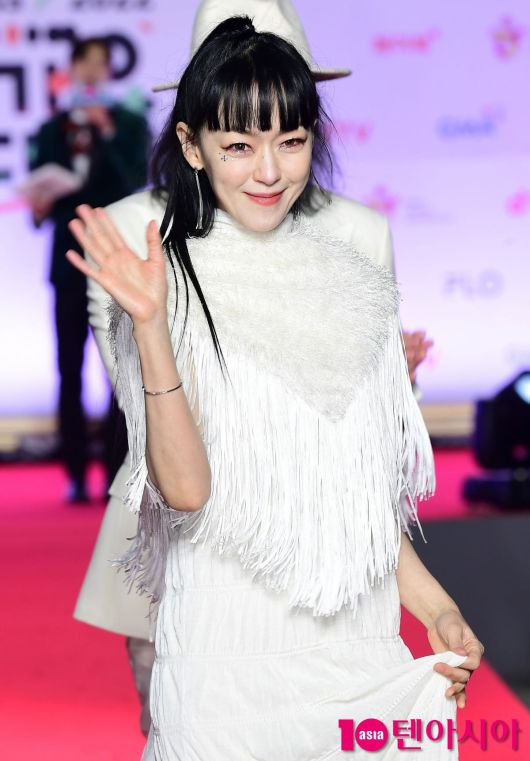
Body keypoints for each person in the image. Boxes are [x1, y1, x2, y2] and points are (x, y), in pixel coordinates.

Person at [67, 16, 484, 760]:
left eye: (290, 141)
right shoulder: (163, 280)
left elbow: (352, 495)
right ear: (192, 145)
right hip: (228, 661)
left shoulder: (352, 283)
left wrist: (436, 605)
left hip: (359, 650)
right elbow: (186, 492)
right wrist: (153, 329)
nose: (269, 171)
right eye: (239, 145)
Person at [29, 36, 150, 501]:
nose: (94, 72)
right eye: (87, 63)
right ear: (73, 69)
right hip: (67, 264)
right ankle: (75, 473)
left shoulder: (128, 124)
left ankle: (119, 470)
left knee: (120, 369)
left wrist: (107, 133)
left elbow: (134, 182)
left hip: (115, 260)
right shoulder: (50, 129)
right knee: (69, 368)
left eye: (102, 64)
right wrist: (40, 206)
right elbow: (41, 204)